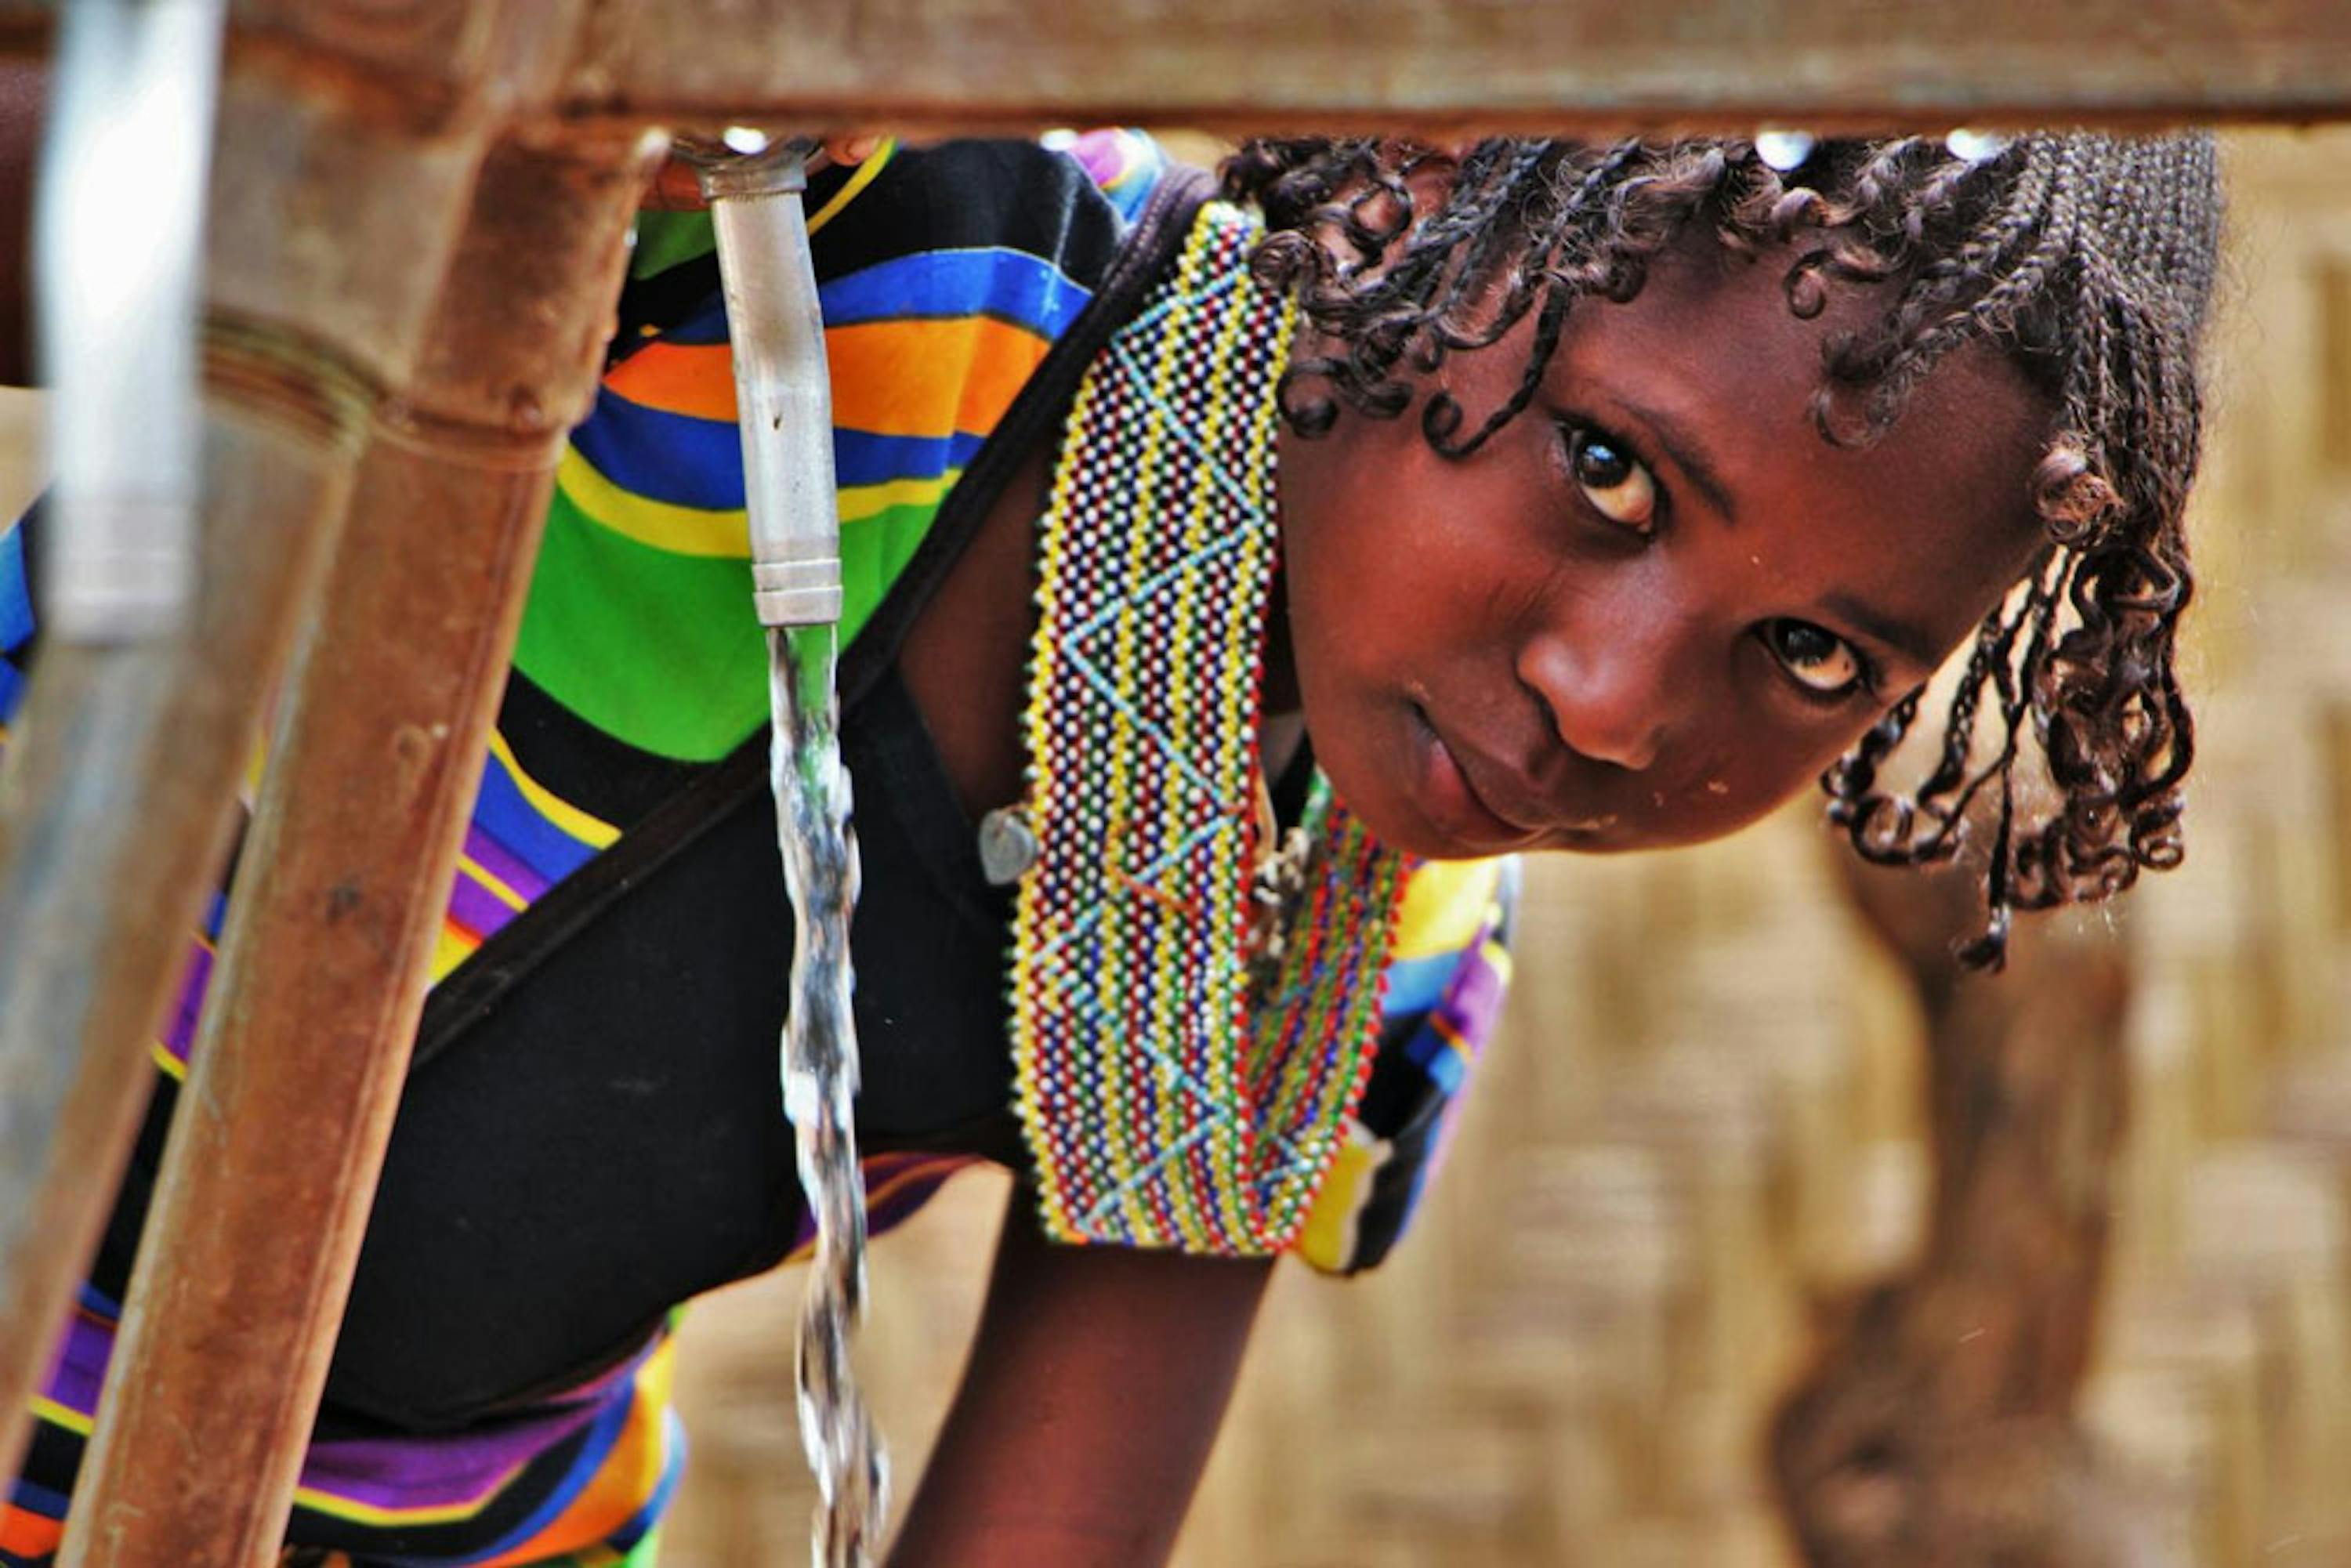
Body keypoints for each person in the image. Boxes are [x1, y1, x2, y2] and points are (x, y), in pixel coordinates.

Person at [0, 125, 2220, 1567]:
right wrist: (462, 188)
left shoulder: (1349, 919)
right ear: (1421, 192)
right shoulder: (859, 251)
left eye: (1816, 654)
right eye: (1613, 475)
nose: (1619, 703)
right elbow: (127, 219)